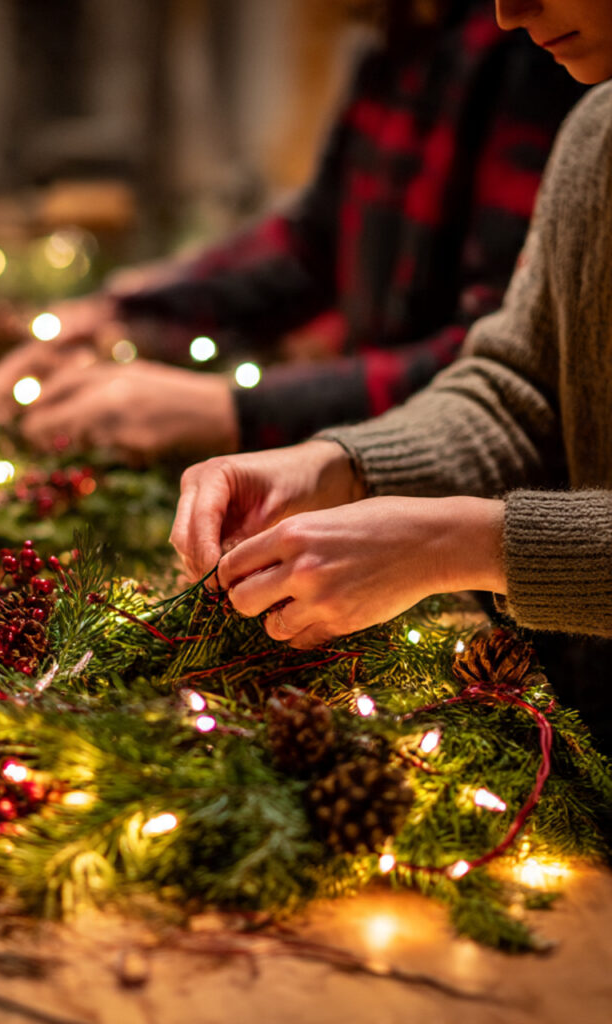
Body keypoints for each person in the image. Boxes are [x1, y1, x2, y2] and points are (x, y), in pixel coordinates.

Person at [169, 0, 612, 745]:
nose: (508, 12)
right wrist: (339, 467)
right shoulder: (597, 131)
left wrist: (459, 544)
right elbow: (515, 393)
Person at [0, 0, 585, 462]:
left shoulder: (549, 54)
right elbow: (312, 245)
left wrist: (230, 410)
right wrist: (118, 317)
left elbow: (499, 368)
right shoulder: (409, 33)